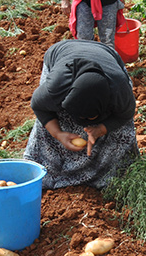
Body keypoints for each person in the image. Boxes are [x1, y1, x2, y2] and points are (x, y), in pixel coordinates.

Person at [24, 39, 138, 190]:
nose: (84, 123)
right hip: (62, 54)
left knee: (121, 132)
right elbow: (38, 107)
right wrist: (58, 134)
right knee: (48, 125)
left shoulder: (120, 92)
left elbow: (124, 115)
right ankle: (47, 173)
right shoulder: (55, 88)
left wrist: (101, 129)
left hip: (107, 57)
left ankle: (114, 175)